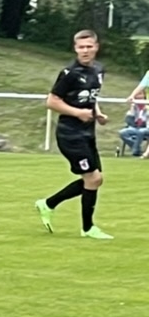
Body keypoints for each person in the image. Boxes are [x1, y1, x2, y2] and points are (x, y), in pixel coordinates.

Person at [35, 30, 112, 239]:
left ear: (96, 47)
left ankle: (48, 204)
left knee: (95, 180)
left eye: (89, 46)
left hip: (87, 133)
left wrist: (98, 113)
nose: (85, 51)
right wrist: (78, 113)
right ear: (75, 48)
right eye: (81, 47)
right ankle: (87, 228)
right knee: (93, 178)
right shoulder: (69, 73)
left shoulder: (99, 70)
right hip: (70, 135)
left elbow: (90, 97)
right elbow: (52, 101)